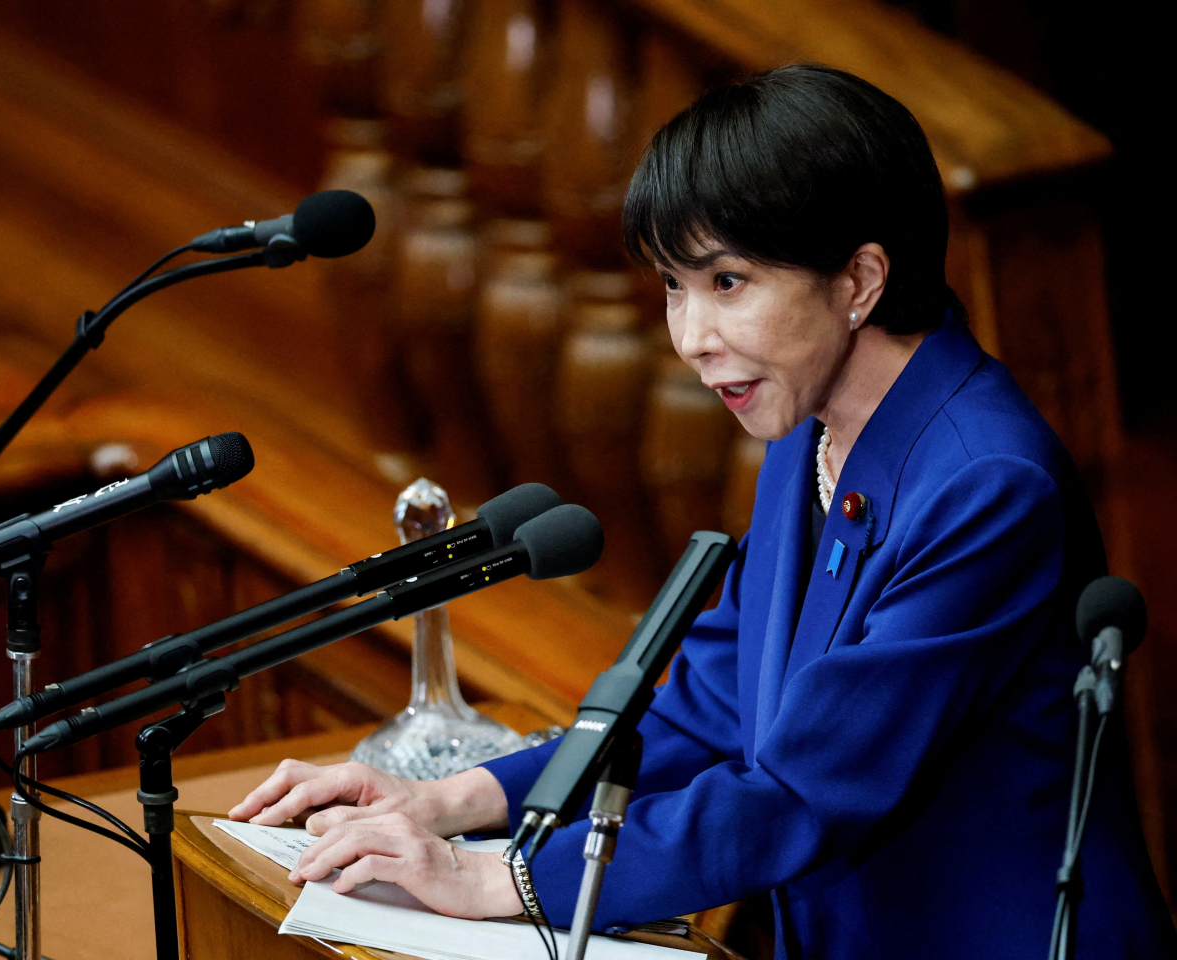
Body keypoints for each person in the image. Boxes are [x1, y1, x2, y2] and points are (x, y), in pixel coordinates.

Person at [230, 65, 1176, 957]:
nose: (690, 338)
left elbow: (805, 791)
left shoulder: (988, 485)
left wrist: (496, 878)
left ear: (859, 281)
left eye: (727, 283)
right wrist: (446, 800)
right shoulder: (807, 430)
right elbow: (708, 709)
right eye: (673, 288)